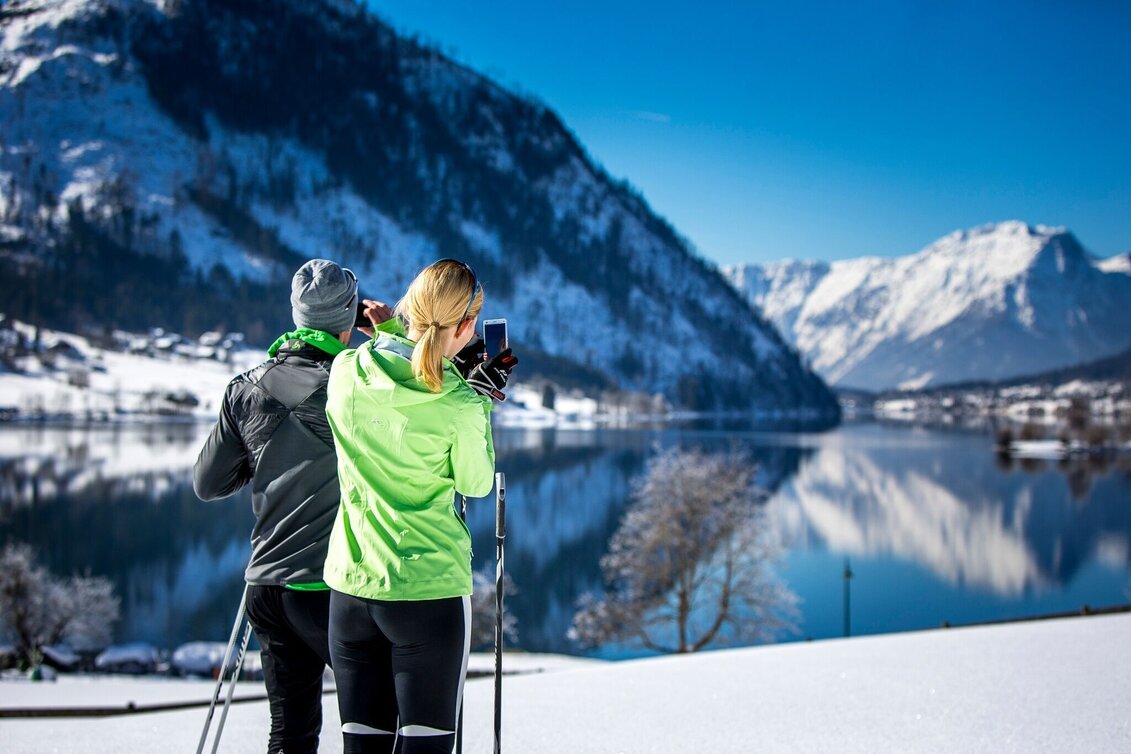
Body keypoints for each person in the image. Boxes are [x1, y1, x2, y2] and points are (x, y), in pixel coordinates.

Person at [193, 258, 393, 754]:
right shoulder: (357, 386)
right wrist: (391, 335)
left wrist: (261, 453)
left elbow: (208, 482)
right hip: (333, 588)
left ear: (295, 312)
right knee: (379, 723)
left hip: (267, 587)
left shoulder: (245, 388)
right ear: (352, 316)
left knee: (291, 731)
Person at [323, 258, 518, 754]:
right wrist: (479, 402)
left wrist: (390, 332)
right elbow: (474, 483)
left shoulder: (345, 372)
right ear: (470, 326)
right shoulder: (458, 401)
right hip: (426, 596)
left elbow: (392, 380)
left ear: (409, 307)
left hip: (351, 590)